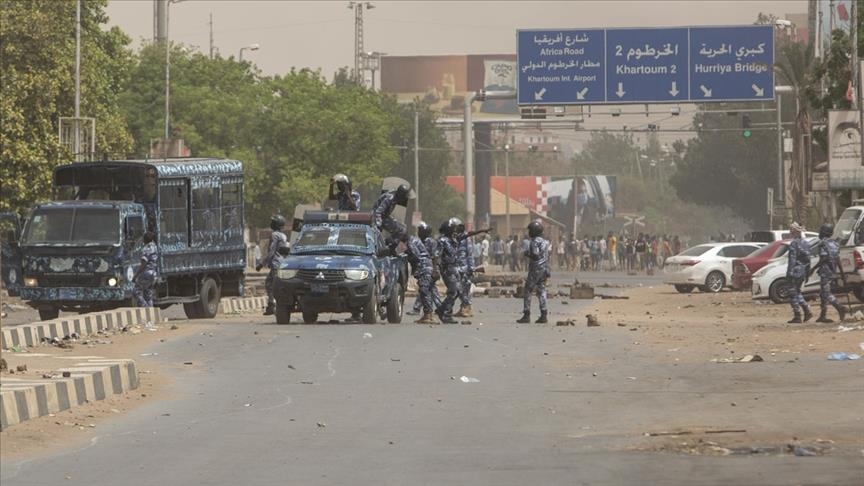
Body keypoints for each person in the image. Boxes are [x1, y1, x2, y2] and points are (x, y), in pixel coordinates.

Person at [397, 231, 437, 324]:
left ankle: (428, 315)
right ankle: (428, 314)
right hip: (426, 266)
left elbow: (416, 257)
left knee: (424, 290)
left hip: (423, 267)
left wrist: (414, 269)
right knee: (426, 290)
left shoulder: (411, 243)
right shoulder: (414, 240)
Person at [812, 223, 848, 323]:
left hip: (825, 271)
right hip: (832, 271)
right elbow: (838, 259)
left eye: (821, 231)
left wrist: (813, 268)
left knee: (826, 293)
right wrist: (842, 274)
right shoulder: (835, 244)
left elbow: (824, 258)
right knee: (823, 293)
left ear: (824, 233)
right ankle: (823, 315)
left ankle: (840, 307)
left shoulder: (823, 243)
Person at [517, 220, 550, 324]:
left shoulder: (534, 241)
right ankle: (544, 314)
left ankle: (526, 315)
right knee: (542, 290)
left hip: (535, 268)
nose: (529, 232)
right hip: (544, 268)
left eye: (530, 230)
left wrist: (527, 253)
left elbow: (535, 255)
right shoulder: (545, 242)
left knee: (528, 290)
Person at [257, 214, 289, 316]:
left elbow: (271, 251)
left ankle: (276, 306)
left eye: (273, 222)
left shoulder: (274, 235)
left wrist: (262, 264)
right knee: (271, 284)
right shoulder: (283, 236)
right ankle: (271, 305)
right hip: (281, 263)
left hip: (275, 263)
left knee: (273, 285)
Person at [408, 221, 442, 316]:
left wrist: (434, 270)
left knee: (424, 289)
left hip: (429, 268)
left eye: (421, 231)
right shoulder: (420, 241)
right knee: (430, 289)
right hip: (424, 267)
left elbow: (434, 256)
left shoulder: (431, 242)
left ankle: (417, 309)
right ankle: (440, 308)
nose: (419, 232)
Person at [786, 222, 813, 323]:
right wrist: (808, 272)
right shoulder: (807, 244)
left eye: (791, 231)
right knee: (797, 292)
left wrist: (789, 272)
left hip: (795, 271)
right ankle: (807, 311)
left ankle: (797, 315)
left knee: (792, 293)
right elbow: (808, 260)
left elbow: (792, 260)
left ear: (795, 232)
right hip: (803, 271)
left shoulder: (794, 244)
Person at [436, 219, 460, 324]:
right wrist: (436, 269)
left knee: (458, 291)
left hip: (454, 268)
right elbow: (437, 255)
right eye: (453, 228)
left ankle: (441, 309)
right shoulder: (442, 241)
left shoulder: (453, 240)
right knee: (453, 291)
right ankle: (446, 314)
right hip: (447, 269)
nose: (455, 230)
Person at [453, 218, 475, 318]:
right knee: (459, 289)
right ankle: (463, 307)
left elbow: (470, 254)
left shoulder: (466, 238)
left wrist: (471, 268)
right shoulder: (455, 238)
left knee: (465, 288)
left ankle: (467, 308)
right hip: (457, 267)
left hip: (465, 267)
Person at [132, 231, 158, 307]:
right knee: (148, 294)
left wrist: (136, 275)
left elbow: (144, 263)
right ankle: (151, 311)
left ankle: (145, 307)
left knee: (136, 292)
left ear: (145, 239)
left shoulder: (146, 248)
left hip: (146, 273)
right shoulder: (155, 247)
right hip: (153, 272)